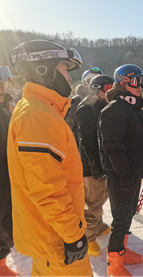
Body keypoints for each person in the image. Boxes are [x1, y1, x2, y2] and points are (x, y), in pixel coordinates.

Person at [7, 40, 92, 276]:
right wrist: (73, 235)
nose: (69, 78)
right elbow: (47, 190)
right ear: (44, 69)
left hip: (50, 235)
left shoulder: (39, 111)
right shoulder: (38, 117)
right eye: (65, 70)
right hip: (57, 240)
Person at [98, 64, 143, 277]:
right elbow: (112, 146)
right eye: (136, 81)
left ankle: (121, 250)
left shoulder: (132, 108)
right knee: (120, 218)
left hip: (133, 172)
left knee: (128, 214)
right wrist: (125, 173)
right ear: (123, 82)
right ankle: (114, 264)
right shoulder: (114, 110)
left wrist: (141, 168)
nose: (140, 86)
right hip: (121, 174)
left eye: (142, 81)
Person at [76, 74, 114, 256]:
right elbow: (87, 142)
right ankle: (88, 237)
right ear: (97, 89)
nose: (111, 92)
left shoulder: (104, 106)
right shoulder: (86, 108)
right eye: (107, 89)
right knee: (92, 201)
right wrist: (95, 167)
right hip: (91, 165)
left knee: (102, 197)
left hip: (103, 162)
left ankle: (97, 226)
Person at [0, 106, 18, 277]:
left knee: (6, 219)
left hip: (6, 174)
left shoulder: (3, 111)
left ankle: (1, 265)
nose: (3, 88)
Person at [65, 67, 103, 143]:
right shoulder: (76, 101)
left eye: (99, 82)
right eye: (91, 81)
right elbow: (67, 129)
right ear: (85, 83)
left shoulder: (104, 101)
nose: (94, 85)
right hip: (80, 148)